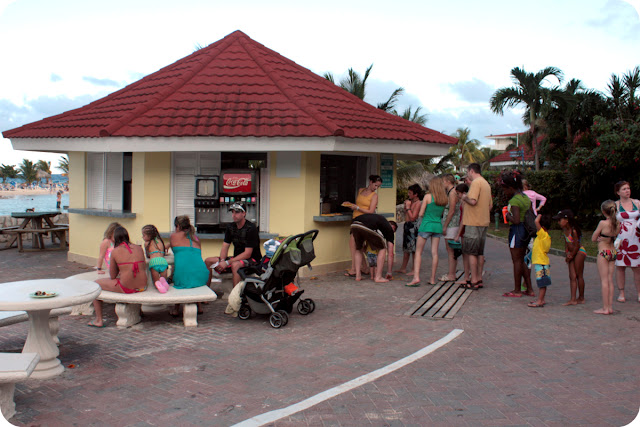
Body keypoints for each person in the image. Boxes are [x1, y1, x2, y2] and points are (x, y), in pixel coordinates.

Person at [90, 226, 147, 327]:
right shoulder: (139, 248)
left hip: (127, 288)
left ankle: (98, 320)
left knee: (95, 285)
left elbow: (112, 276)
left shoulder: (115, 251)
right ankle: (139, 312)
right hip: (143, 286)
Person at [205, 203, 262, 287]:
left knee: (235, 265)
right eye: (233, 212)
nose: (234, 215)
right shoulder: (230, 227)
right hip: (236, 258)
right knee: (208, 261)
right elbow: (225, 246)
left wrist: (227, 262)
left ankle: (236, 294)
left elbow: (247, 254)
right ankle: (207, 291)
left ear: (244, 213)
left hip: (252, 260)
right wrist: (222, 261)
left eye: (237, 212)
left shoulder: (251, 228)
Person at [407, 176, 447, 287]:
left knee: (418, 252)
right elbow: (441, 214)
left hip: (426, 225)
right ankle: (432, 278)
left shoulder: (428, 197)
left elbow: (420, 213)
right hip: (437, 226)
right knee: (435, 253)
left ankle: (416, 277)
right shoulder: (444, 199)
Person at [500, 170, 534, 297]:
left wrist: (507, 215)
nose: (504, 192)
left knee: (516, 261)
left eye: (505, 189)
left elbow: (517, 220)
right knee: (522, 260)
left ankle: (517, 289)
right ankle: (529, 288)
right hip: (526, 231)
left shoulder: (514, 201)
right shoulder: (525, 198)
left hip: (517, 231)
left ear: (510, 188)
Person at [459, 163, 493, 288]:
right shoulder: (486, 184)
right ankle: (479, 278)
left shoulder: (476, 183)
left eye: (467, 172)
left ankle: (473, 280)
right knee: (479, 252)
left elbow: (473, 201)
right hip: (483, 221)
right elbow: (490, 205)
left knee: (471, 252)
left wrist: (464, 197)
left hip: (473, 221)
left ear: (471, 171)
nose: (467, 174)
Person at [345, 175, 382, 276]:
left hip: (365, 220)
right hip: (355, 219)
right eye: (375, 185)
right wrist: (350, 204)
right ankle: (364, 267)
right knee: (358, 245)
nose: (376, 188)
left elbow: (371, 211)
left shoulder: (374, 196)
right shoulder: (361, 190)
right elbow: (359, 204)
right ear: (370, 182)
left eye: (378, 186)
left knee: (353, 243)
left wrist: (357, 208)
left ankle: (354, 269)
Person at [349, 213, 397, 283]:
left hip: (354, 224)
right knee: (382, 248)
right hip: (366, 225)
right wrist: (389, 272)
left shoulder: (381, 221)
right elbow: (390, 254)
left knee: (358, 249)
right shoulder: (389, 230)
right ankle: (378, 277)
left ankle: (358, 276)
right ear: (393, 230)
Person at [613, 181, 640, 303]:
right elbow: (611, 223)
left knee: (637, 267)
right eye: (624, 189)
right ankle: (621, 293)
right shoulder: (615, 205)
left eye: (628, 188)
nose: (627, 191)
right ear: (618, 192)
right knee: (620, 266)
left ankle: (639, 293)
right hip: (621, 239)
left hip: (636, 239)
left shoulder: (637, 203)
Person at [554, 209, 586, 306]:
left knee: (579, 275)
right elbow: (566, 244)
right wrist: (567, 253)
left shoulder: (574, 231)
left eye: (560, 220)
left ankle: (581, 297)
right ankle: (573, 299)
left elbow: (576, 245)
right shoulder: (565, 231)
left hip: (579, 252)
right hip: (571, 253)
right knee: (572, 276)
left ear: (566, 220)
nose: (558, 222)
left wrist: (571, 255)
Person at [592, 200, 619, 314]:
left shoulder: (603, 223)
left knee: (604, 281)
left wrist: (600, 238)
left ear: (603, 211)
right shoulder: (617, 223)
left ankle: (605, 308)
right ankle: (610, 306)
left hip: (603, 251)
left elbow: (593, 238)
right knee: (610, 280)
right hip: (612, 251)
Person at [395, 183, 423, 274]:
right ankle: (403, 267)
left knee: (413, 249)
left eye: (410, 193)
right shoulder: (411, 202)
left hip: (413, 226)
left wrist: (408, 207)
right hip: (407, 225)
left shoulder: (418, 203)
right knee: (406, 248)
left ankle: (414, 269)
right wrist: (406, 207)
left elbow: (413, 217)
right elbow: (406, 213)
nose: (408, 194)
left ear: (416, 194)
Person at [440, 174, 462, 282]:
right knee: (451, 250)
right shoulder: (451, 192)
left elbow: (452, 210)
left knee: (451, 250)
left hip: (452, 225)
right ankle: (451, 272)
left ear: (448, 181)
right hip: (451, 224)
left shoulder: (452, 193)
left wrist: (445, 225)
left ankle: (451, 274)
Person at [528, 214, 552, 308]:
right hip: (541, 262)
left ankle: (540, 300)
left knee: (542, 283)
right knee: (542, 282)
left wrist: (539, 214)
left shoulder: (543, 235)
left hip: (541, 263)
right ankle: (541, 299)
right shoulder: (544, 236)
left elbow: (536, 221)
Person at [142, 224, 169, 293]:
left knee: (156, 282)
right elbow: (163, 253)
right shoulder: (160, 241)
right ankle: (164, 283)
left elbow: (148, 255)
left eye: (144, 235)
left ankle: (158, 284)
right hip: (163, 261)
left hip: (154, 262)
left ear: (149, 236)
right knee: (163, 279)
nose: (142, 237)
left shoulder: (147, 243)